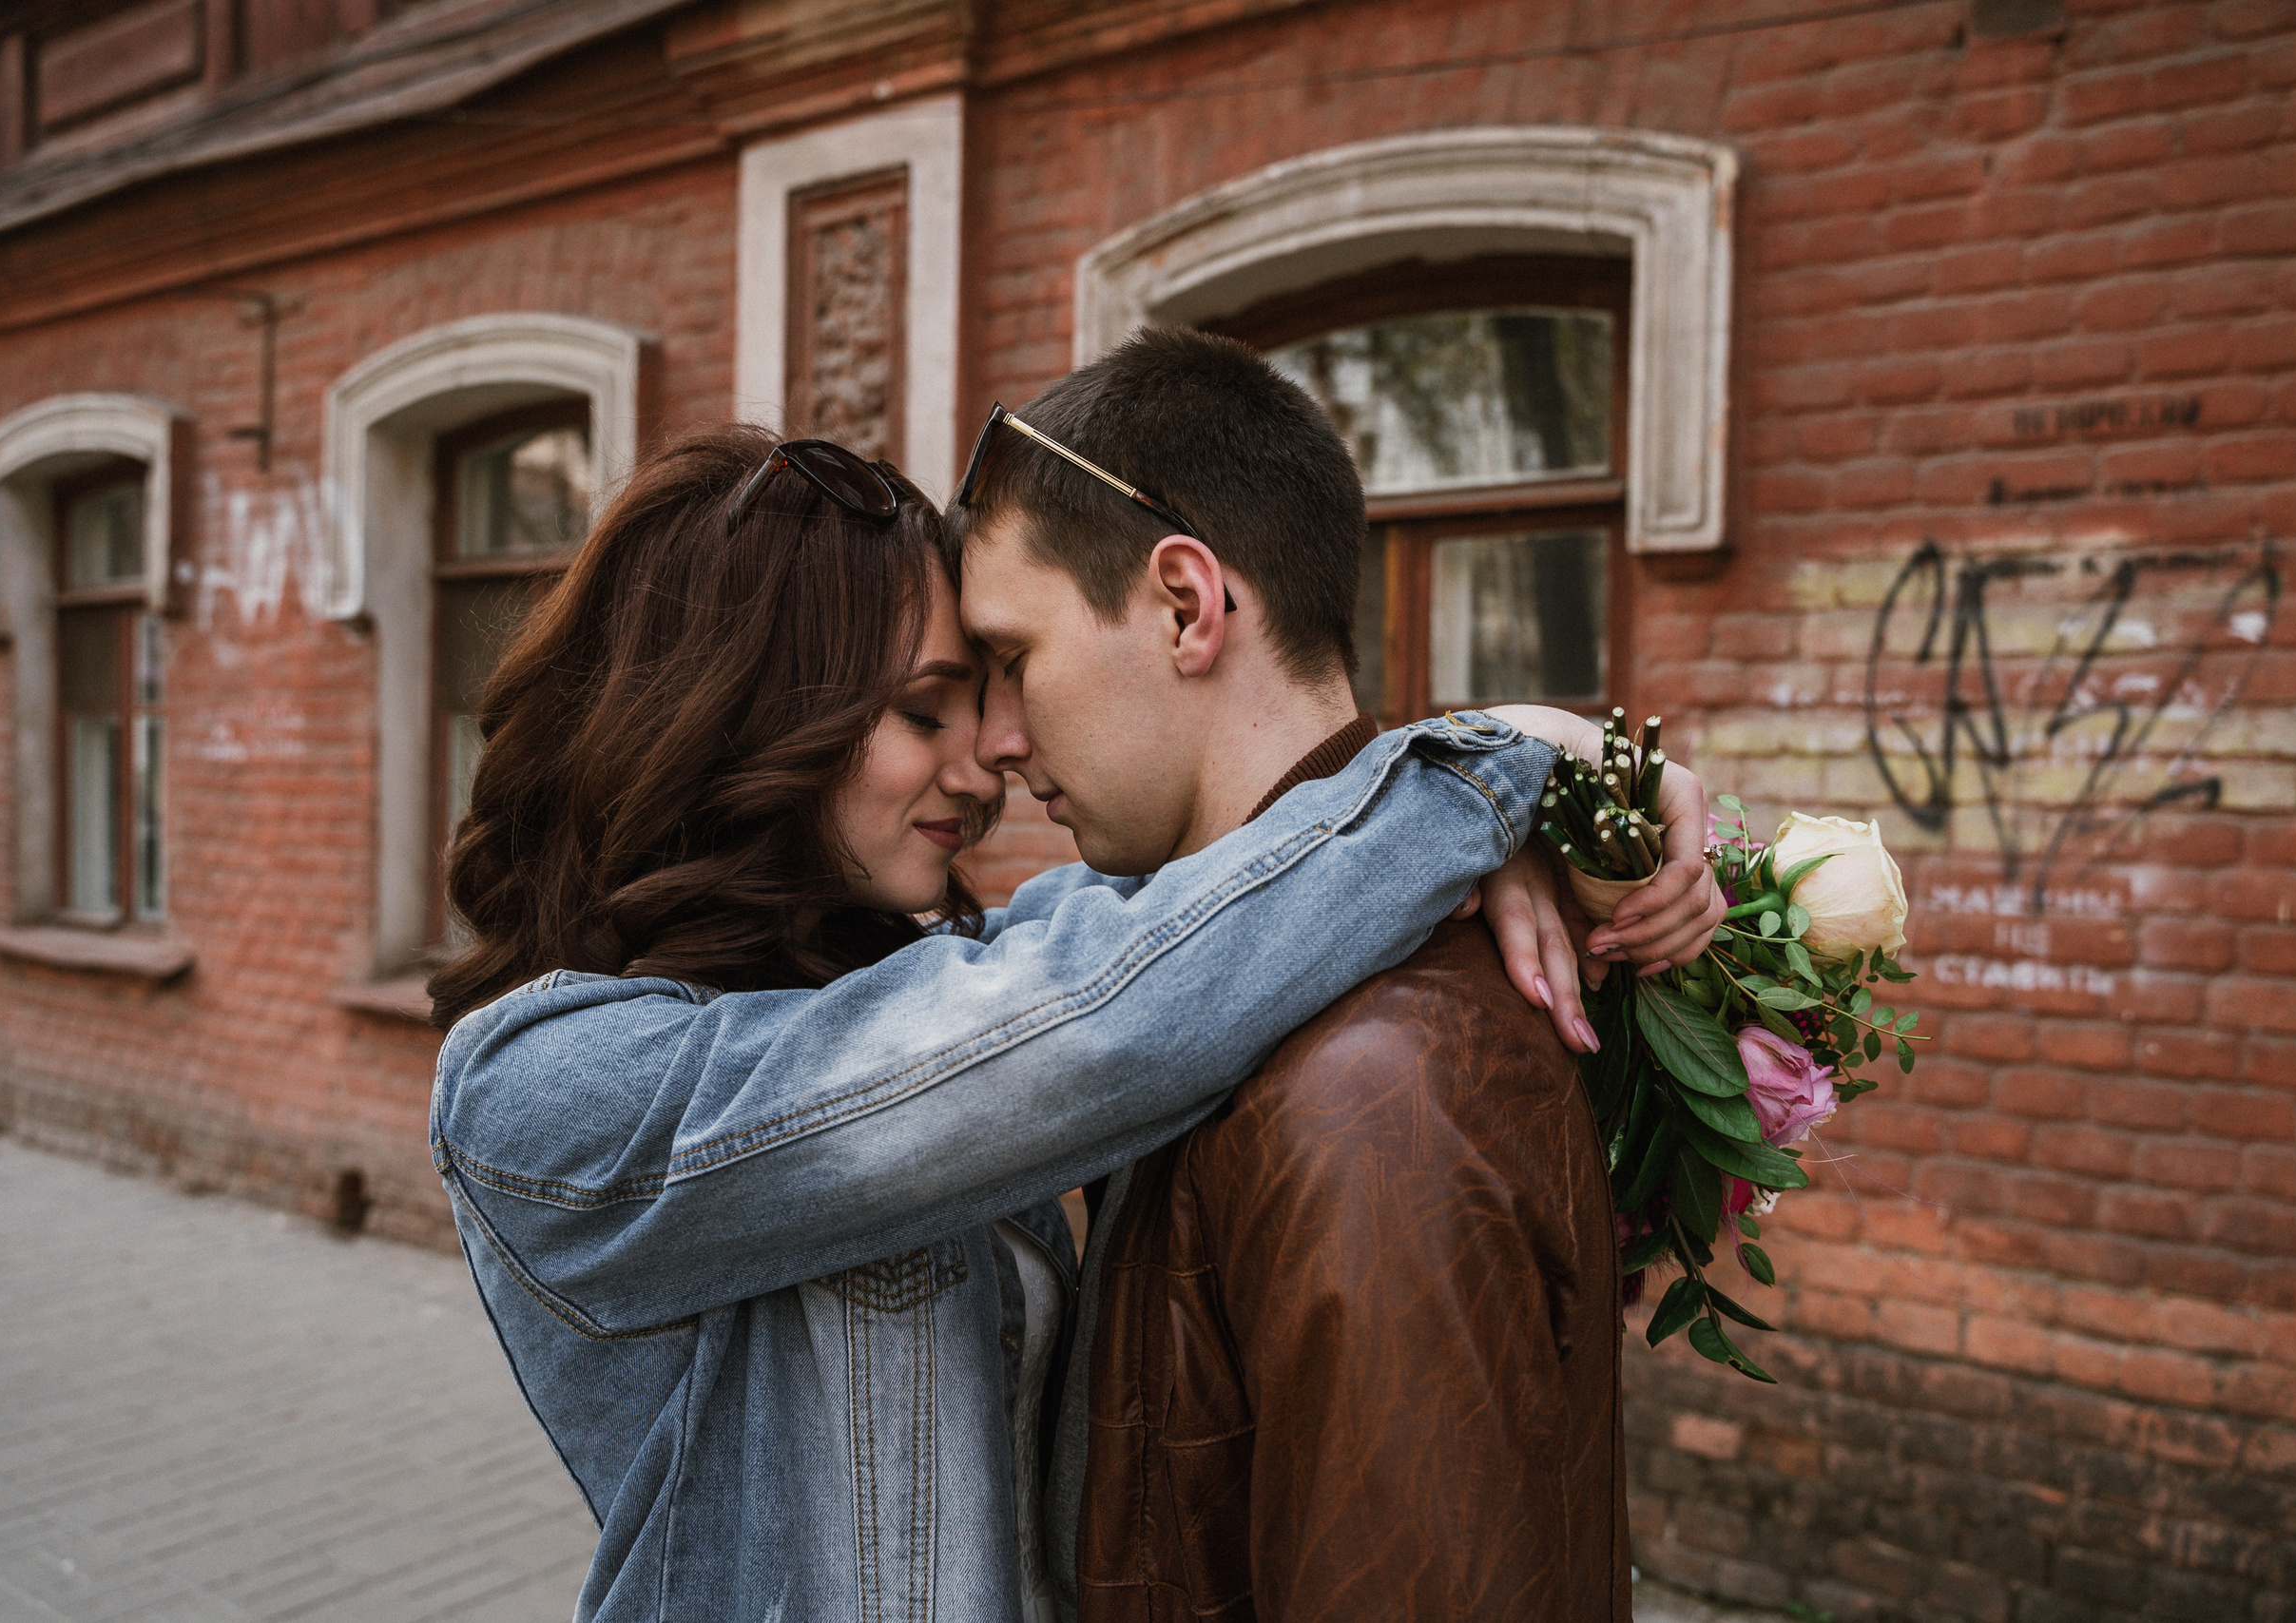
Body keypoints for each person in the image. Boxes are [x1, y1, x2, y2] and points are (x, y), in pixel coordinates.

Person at [424, 424, 1714, 1623]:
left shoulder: (918, 977)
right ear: (740, 720)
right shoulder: (548, 1090)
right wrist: (1490, 773)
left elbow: (1184, 905)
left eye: (998, 683)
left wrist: (1544, 802)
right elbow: (1108, 1014)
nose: (988, 753)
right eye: (927, 709)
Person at [945, 328, 1725, 1621]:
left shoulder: (1381, 1085)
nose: (996, 740)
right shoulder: (1210, 973)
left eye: (1014, 660)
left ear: (1186, 606)